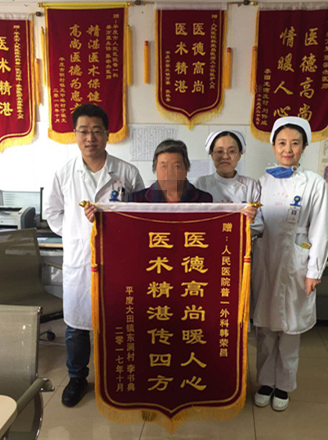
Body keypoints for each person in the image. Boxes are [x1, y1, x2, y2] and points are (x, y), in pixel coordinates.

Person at [44, 104, 144, 407]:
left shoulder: (127, 172)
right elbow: (52, 214)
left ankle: (115, 375)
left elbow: (140, 214)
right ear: (75, 134)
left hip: (118, 261)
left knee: (117, 321)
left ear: (108, 134)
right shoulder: (64, 174)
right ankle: (76, 377)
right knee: (76, 327)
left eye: (97, 131)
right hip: (80, 261)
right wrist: (77, 234)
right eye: (84, 131)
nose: (90, 138)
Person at [251, 116, 328, 411]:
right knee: (265, 329)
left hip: (298, 261)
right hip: (266, 261)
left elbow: (320, 229)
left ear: (304, 147)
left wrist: (313, 271)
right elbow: (257, 225)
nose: (288, 149)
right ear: (273, 146)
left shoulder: (315, 184)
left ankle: (283, 386)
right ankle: (265, 382)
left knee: (290, 331)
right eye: (282, 143)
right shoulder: (262, 182)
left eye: (295, 143)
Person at [194, 130, 263, 230]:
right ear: (212, 155)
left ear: (239, 155)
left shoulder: (251, 185)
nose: (225, 156)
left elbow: (260, 225)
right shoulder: (201, 184)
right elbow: (192, 221)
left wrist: (250, 220)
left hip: (240, 240)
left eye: (232, 151)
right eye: (219, 151)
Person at [129, 139, 213, 203]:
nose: (170, 173)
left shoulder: (204, 200)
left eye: (176, 166)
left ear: (186, 169)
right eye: (164, 166)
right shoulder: (137, 200)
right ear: (155, 170)